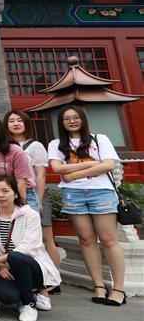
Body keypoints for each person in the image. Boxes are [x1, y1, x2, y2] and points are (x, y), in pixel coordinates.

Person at [47, 105, 125, 306]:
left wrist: (74, 174)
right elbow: (57, 168)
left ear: (83, 119)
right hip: (73, 194)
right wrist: (91, 164)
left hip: (101, 192)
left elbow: (109, 165)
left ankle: (118, 289)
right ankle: (99, 286)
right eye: (67, 119)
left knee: (109, 240)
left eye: (76, 117)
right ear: (61, 123)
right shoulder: (56, 144)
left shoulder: (99, 139)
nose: (72, 121)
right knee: (86, 239)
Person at [0, 175, 59, 321]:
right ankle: (27, 296)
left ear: (16, 193)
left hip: (32, 266)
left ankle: (29, 304)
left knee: (16, 257)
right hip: (7, 268)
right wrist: (0, 264)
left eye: (5, 191)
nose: (0, 195)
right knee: (7, 296)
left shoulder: (30, 215)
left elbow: (29, 247)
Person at [5, 110, 61, 272]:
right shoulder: (5, 146)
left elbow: (41, 175)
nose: (16, 124)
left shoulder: (36, 146)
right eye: (12, 121)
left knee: (45, 238)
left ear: (26, 124)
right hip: (12, 195)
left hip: (35, 194)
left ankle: (54, 277)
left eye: (19, 121)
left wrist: (40, 200)